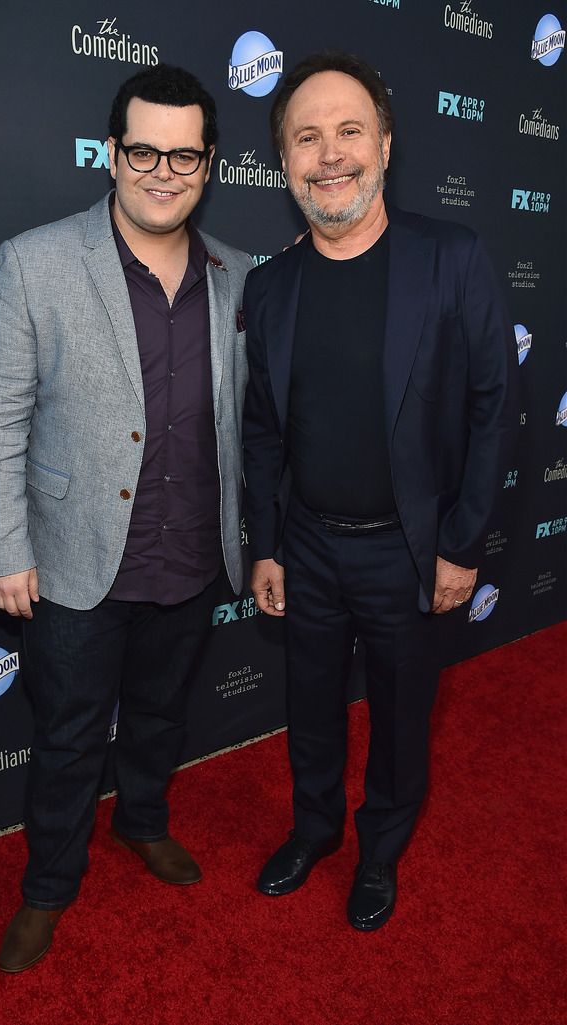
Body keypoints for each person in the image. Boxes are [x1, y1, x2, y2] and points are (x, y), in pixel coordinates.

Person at [0, 64, 253, 972]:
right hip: (76, 560)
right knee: (68, 736)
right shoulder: (37, 261)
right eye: (143, 149)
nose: (162, 170)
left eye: (184, 153)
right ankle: (48, 885)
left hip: (193, 553)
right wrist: (5, 549)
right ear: (112, 152)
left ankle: (143, 822)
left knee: (163, 716)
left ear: (208, 163)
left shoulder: (240, 277)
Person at [242, 51, 517, 931]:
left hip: (408, 545)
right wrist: (266, 542)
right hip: (309, 543)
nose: (331, 155)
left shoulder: (452, 258)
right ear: (284, 163)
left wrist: (461, 544)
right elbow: (260, 430)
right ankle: (316, 827)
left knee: (401, 718)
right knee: (309, 706)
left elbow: (493, 407)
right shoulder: (270, 283)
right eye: (307, 138)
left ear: (387, 145)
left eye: (349, 131)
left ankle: (381, 847)